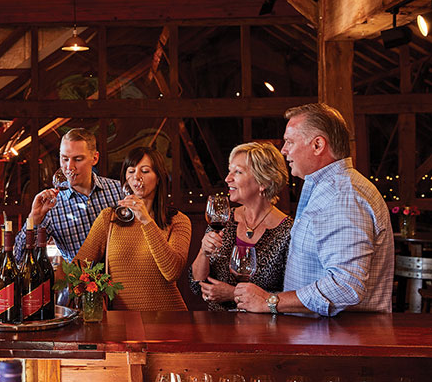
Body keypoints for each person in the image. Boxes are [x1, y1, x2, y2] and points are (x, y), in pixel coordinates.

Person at [234, 103, 394, 316]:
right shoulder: (326, 187)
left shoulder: (342, 196)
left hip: (337, 340)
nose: (283, 150)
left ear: (318, 145)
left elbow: (345, 286)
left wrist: (271, 301)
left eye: (290, 141)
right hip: (321, 336)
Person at [75, 147, 191, 311]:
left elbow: (172, 272)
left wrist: (146, 220)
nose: (137, 176)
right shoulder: (109, 218)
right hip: (122, 324)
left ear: (158, 178)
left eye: (145, 171)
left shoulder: (178, 220)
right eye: (131, 171)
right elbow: (77, 267)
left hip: (170, 320)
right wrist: (93, 296)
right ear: (125, 179)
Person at [189, 142, 292, 311]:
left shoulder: (288, 231)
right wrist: (203, 252)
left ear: (263, 182)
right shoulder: (223, 219)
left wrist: (232, 294)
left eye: (237, 172)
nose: (227, 178)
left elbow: (290, 293)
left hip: (265, 330)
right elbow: (197, 286)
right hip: (217, 326)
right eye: (230, 170)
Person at [13, 128, 123, 262]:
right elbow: (20, 258)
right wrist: (34, 218)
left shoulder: (119, 191)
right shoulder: (51, 205)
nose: (70, 167)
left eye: (77, 159)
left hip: (123, 280)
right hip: (80, 282)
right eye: (64, 159)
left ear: (95, 158)